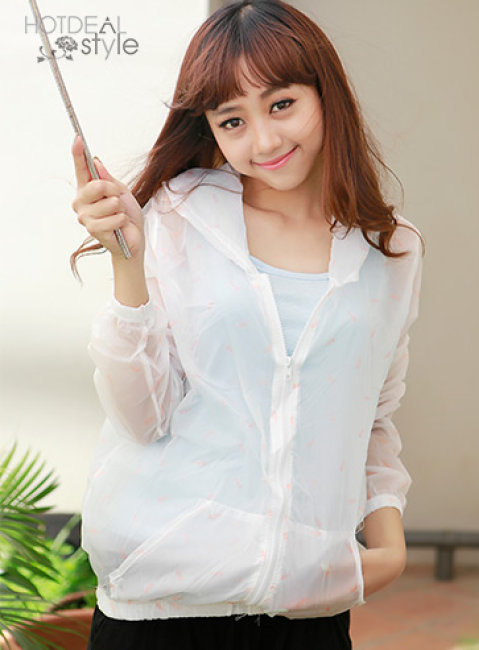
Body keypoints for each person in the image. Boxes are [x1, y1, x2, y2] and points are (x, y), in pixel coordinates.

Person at [71, 1, 425, 648]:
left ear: (326, 93)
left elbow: (373, 414)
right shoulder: (177, 217)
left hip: (308, 608)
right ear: (210, 128)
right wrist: (129, 265)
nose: (263, 141)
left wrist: (389, 549)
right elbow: (142, 417)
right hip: (161, 610)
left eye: (282, 104)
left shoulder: (391, 250)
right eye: (233, 120)